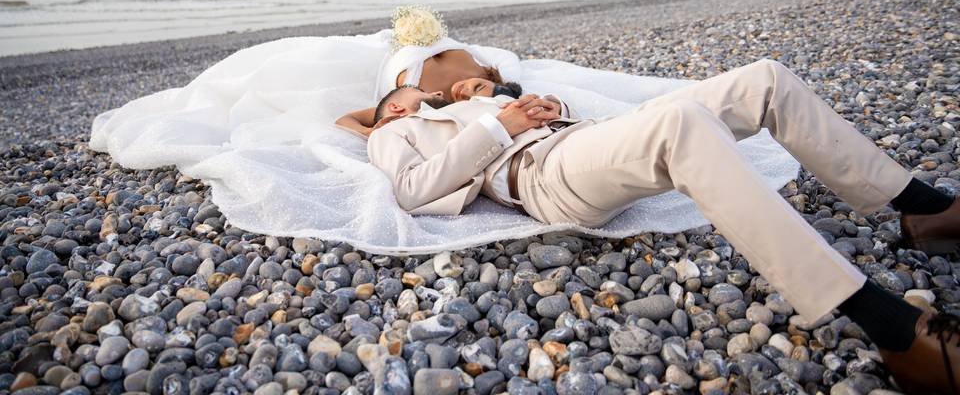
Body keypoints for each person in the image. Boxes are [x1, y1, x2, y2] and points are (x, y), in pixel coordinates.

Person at [365, 58, 960, 394]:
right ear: (395, 104)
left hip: (580, 143)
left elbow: (577, 129)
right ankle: (891, 328)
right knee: (680, 122)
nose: (438, 92)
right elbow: (414, 190)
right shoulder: (397, 132)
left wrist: (547, 110)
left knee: (765, 79)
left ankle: (921, 204)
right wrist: (500, 126)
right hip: (544, 176)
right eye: (420, 90)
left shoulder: (482, 102)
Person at [337, 76, 525, 137]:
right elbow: (345, 120)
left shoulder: (439, 107)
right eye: (477, 86)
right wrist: (370, 132)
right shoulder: (417, 98)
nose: (464, 92)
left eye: (467, 100)